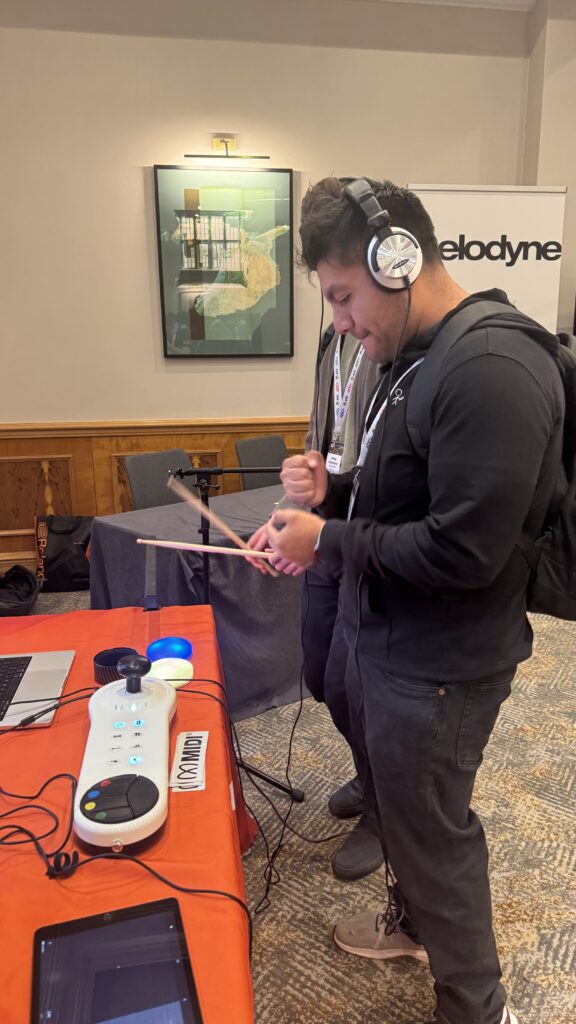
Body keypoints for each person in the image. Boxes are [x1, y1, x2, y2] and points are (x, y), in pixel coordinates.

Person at [249, 177, 564, 1024]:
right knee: (415, 821)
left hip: (444, 663)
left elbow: (465, 551)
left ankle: (477, 1006)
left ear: (400, 261)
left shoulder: (492, 368)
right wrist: (322, 506)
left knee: (434, 832)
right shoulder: (419, 358)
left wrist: (330, 542)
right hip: (396, 638)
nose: (342, 322)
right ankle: (417, 927)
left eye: (344, 296)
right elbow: (407, 497)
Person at [303, 325, 383, 880]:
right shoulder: (334, 337)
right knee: (320, 676)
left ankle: (383, 808)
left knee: (352, 684)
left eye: (343, 291)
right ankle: (368, 771)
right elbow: (327, 433)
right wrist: (306, 485)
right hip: (328, 520)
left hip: (368, 532)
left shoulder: (395, 339)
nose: (337, 309)